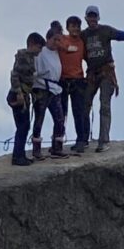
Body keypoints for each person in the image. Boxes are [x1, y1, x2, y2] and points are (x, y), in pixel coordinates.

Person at [82, 5, 124, 152]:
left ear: (98, 18)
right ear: (86, 18)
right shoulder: (83, 35)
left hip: (107, 73)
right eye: (90, 16)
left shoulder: (105, 30)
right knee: (85, 104)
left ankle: (104, 141)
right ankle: (83, 139)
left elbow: (121, 35)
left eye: (94, 16)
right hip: (92, 74)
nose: (92, 19)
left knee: (104, 105)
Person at [7, 32, 44, 165]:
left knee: (24, 125)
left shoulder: (30, 58)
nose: (40, 51)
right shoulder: (23, 56)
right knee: (23, 126)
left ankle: (20, 154)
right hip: (19, 94)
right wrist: (19, 93)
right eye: (39, 47)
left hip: (25, 93)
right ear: (32, 45)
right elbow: (15, 75)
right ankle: (17, 157)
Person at [53, 15, 89, 153]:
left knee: (78, 112)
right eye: (73, 26)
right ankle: (57, 142)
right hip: (62, 79)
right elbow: (53, 41)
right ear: (67, 27)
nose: (75, 29)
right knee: (61, 113)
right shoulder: (61, 39)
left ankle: (81, 140)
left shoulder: (82, 42)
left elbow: (88, 57)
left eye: (78, 26)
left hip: (78, 80)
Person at [31, 26, 68, 159]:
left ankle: (57, 146)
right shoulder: (41, 52)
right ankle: (36, 149)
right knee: (39, 119)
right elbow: (34, 72)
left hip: (55, 89)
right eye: (55, 40)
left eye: (59, 40)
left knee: (60, 118)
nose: (57, 43)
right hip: (41, 89)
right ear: (48, 39)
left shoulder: (58, 52)